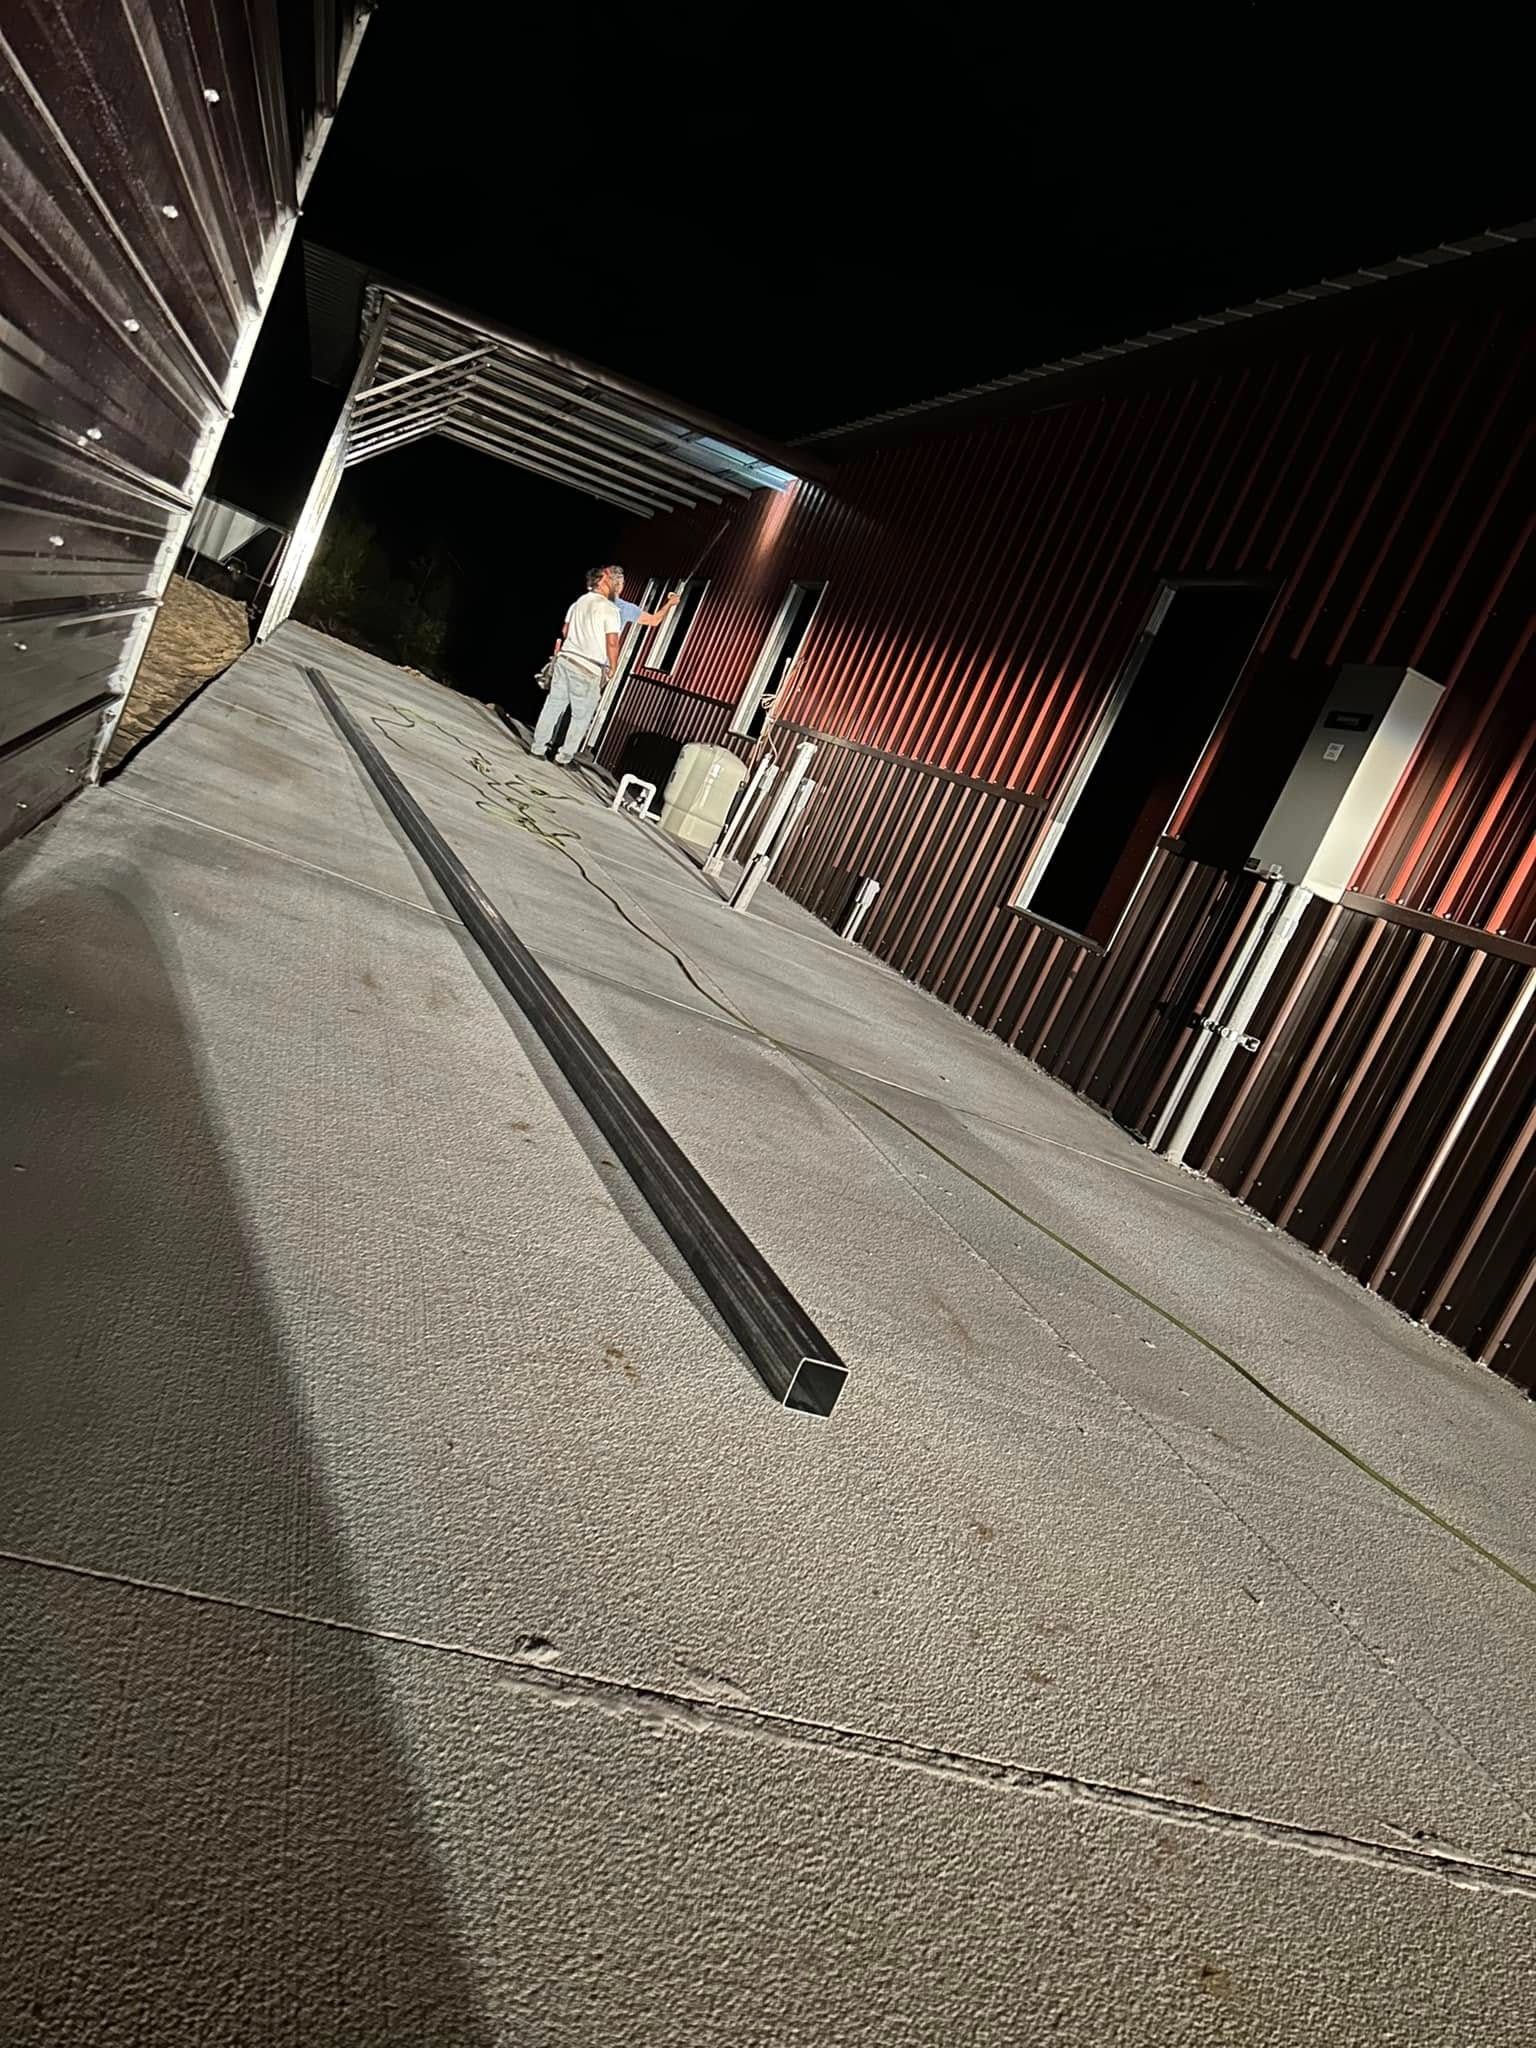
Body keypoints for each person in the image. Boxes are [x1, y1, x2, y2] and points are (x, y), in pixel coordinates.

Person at [531, 567, 678, 765]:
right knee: (581, 716)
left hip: (566, 660)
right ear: (617, 585)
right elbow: (631, 632)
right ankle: (564, 756)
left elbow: (565, 630)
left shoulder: (580, 601)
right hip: (589, 668)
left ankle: (538, 748)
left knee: (553, 706)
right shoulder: (617, 609)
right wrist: (670, 603)